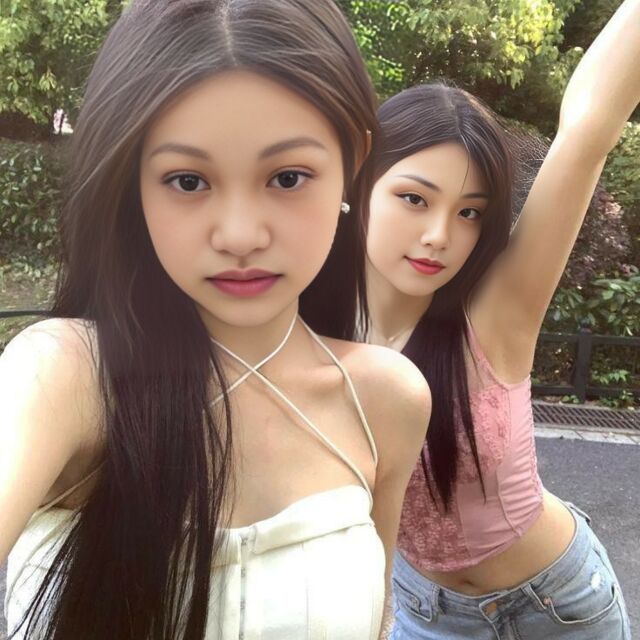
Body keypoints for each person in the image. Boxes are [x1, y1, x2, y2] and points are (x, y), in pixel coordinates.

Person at [0, 1, 431, 638]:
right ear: (132, 182)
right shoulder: (64, 377)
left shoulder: (386, 401)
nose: (239, 235)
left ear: (353, 163)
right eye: (186, 181)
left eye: (288, 177)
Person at [363, 1, 639, 638]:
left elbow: (589, 129)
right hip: (419, 610)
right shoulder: (311, 324)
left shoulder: (493, 312)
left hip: (556, 606)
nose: (438, 235)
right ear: (359, 182)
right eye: (413, 197)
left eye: (469, 212)